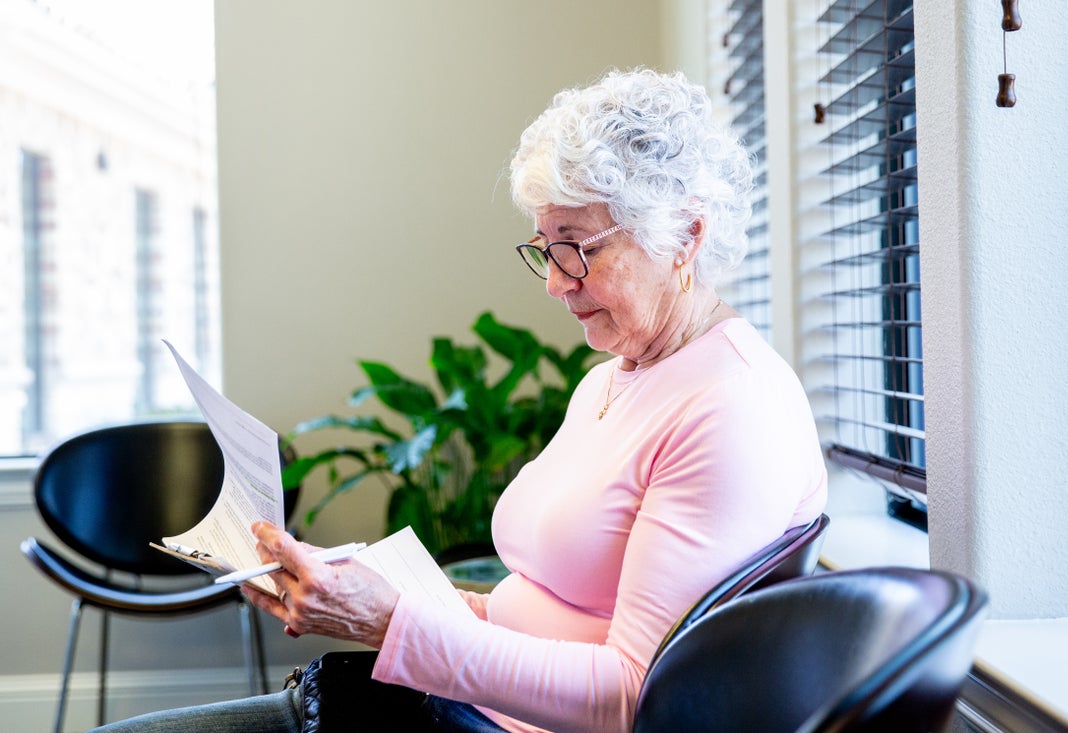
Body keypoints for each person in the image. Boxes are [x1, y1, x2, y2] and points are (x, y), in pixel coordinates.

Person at [91, 67, 827, 733]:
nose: (554, 280)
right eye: (544, 245)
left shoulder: (732, 408)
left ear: (686, 235)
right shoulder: (611, 378)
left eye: (578, 245)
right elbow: (524, 613)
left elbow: (631, 695)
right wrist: (365, 595)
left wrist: (395, 623)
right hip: (449, 703)